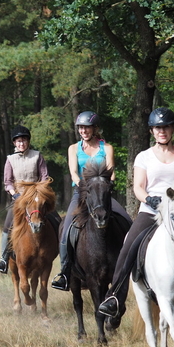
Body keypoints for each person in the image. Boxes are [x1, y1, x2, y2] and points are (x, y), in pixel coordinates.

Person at [98, 107, 174, 317]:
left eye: (166, 127)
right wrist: (149, 198)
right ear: (152, 131)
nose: (162, 131)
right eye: (158, 127)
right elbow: (139, 187)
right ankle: (114, 298)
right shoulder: (144, 157)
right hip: (151, 211)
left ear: (172, 129)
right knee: (128, 246)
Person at [51, 111, 132, 291]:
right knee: (67, 228)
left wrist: (106, 185)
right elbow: (73, 172)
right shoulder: (73, 148)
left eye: (87, 127)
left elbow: (111, 172)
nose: (83, 130)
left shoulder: (106, 148)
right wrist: (83, 187)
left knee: (126, 220)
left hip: (103, 194)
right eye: (81, 127)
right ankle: (65, 272)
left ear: (95, 128)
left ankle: (132, 264)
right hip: (80, 194)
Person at [0, 125, 49, 273]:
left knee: (56, 221)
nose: (21, 143)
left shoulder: (37, 156)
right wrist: (14, 194)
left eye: (24, 140)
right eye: (18, 141)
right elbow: (8, 181)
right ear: (14, 143)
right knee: (7, 226)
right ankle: (3, 259)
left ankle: (61, 257)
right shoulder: (10, 159)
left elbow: (44, 177)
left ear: (28, 141)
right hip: (19, 199)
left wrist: (40, 191)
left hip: (37, 197)